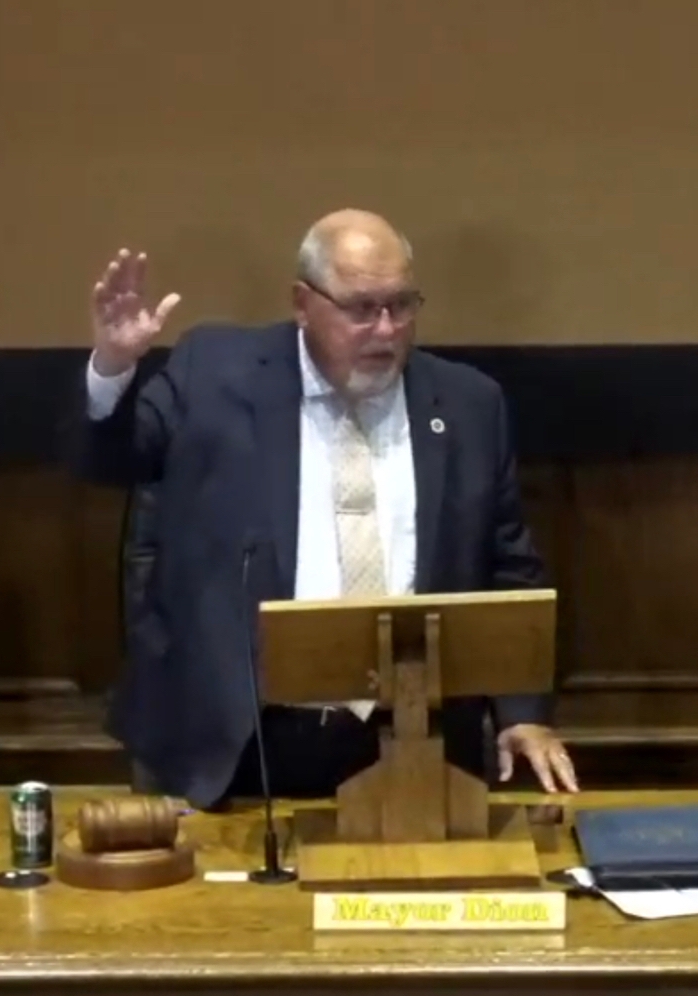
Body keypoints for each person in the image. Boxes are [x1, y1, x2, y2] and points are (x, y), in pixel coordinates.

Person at [67, 208, 575, 810]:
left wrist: (520, 714)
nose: (386, 330)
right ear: (303, 303)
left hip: (414, 740)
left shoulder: (468, 404)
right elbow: (108, 461)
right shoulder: (214, 372)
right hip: (242, 743)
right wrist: (114, 368)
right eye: (361, 309)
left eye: (402, 305)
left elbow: (506, 567)